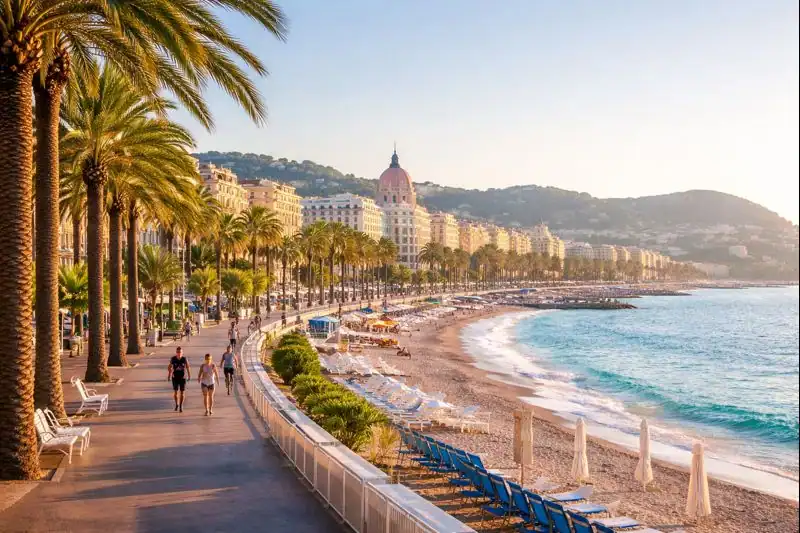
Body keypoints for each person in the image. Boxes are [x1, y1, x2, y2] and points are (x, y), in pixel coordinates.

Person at [167, 347, 190, 412]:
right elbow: (169, 367)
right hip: (175, 377)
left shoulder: (184, 359)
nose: (178, 353)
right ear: (176, 352)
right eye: (177, 352)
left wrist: (189, 375)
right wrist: (169, 375)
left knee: (182, 393)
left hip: (183, 378)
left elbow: (188, 367)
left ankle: (181, 405)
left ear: (182, 353)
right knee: (175, 393)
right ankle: (176, 404)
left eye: (180, 352)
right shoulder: (173, 359)